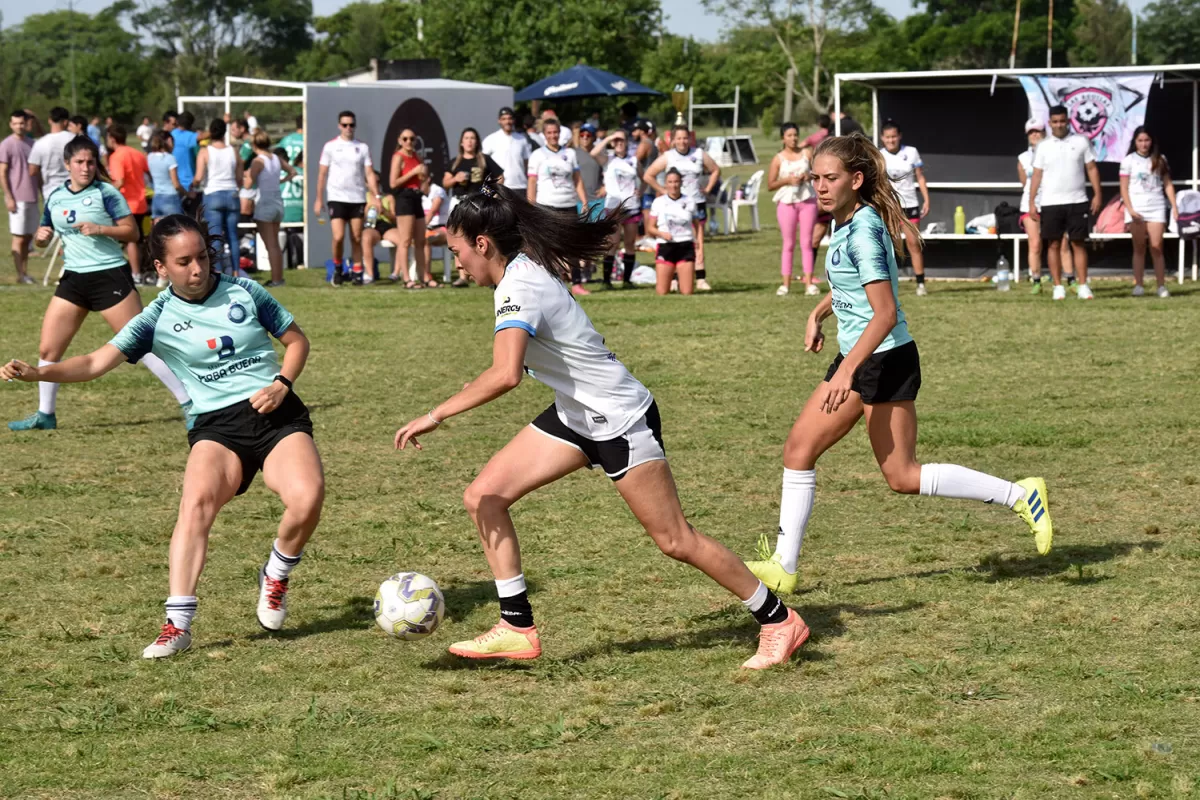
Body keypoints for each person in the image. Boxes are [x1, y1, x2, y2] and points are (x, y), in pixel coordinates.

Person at [392, 182, 810, 670]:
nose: (457, 261)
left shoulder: (519, 286)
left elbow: (505, 375)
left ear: (482, 244)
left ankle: (779, 619)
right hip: (576, 414)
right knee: (483, 496)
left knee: (675, 540)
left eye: (456, 250)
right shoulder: (516, 272)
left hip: (618, 419)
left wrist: (434, 414)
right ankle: (516, 626)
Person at [742, 133, 1054, 596]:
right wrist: (817, 312)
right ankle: (784, 566)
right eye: (815, 178)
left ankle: (1020, 494)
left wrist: (847, 371)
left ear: (856, 179)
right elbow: (854, 285)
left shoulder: (864, 228)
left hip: (884, 359)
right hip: (860, 358)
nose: (820, 187)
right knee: (798, 450)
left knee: (902, 476)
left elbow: (885, 313)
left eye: (830, 178)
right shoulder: (843, 223)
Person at [3, 214, 323, 658]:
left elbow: (297, 341)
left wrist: (282, 383)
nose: (198, 268)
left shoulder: (245, 291)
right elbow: (96, 363)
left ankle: (276, 571)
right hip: (216, 426)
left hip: (276, 413)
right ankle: (178, 624)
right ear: (161, 268)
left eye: (204, 257)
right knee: (195, 506)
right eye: (185, 261)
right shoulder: (155, 317)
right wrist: (40, 371)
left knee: (307, 498)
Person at [7, 136, 192, 431]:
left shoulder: (106, 193)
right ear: (67, 164)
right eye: (79, 162)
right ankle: (45, 414)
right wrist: (41, 240)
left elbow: (132, 233)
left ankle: (190, 404)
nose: (85, 167)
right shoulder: (55, 196)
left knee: (141, 346)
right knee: (48, 348)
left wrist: (100, 228)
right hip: (73, 278)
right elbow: (45, 232)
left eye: (91, 162)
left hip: (109, 276)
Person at [1027, 105, 1102, 300]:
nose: (1059, 125)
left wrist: (1097, 193)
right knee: (1053, 244)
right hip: (1051, 202)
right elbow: (1036, 175)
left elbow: (1092, 169)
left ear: (1068, 121)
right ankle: (1058, 286)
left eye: (1062, 121)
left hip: (1077, 200)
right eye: (1055, 122)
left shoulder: (1081, 141)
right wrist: (1031, 201)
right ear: (1050, 123)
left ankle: (1083, 285)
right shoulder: (1043, 146)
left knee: (1078, 243)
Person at [643, 124, 721, 291]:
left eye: (685, 138)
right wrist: (663, 190)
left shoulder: (699, 154)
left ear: (690, 138)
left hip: (695, 202)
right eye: (678, 138)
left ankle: (700, 277)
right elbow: (648, 175)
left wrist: (707, 189)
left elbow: (715, 170)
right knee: (677, 237)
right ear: (672, 140)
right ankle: (674, 278)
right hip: (673, 204)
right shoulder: (668, 156)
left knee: (697, 239)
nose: (682, 141)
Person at [314, 110, 382, 285]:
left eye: (351, 125)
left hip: (357, 197)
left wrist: (376, 196)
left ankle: (357, 270)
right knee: (338, 236)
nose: (348, 128)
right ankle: (338, 267)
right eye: (345, 125)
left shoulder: (362, 147)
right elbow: (322, 174)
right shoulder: (330, 146)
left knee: (357, 236)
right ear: (339, 126)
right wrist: (319, 199)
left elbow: (369, 173)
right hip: (336, 196)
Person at [526, 118, 589, 295]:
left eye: (556, 132)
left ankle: (577, 283)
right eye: (550, 133)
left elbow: (577, 180)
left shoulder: (570, 154)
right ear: (544, 135)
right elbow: (532, 182)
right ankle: (551, 282)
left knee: (573, 246)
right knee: (549, 246)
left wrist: (583, 201)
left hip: (568, 204)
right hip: (547, 206)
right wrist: (530, 206)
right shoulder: (538, 155)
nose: (553, 136)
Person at [1120, 126, 1177, 298]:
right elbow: (1123, 188)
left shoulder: (1160, 159)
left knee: (1157, 246)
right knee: (1139, 247)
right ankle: (1139, 285)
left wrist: (1174, 206)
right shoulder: (1128, 161)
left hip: (1156, 206)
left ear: (1151, 142)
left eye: (1147, 140)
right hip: (1136, 207)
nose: (1144, 144)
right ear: (1135, 142)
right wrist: (1130, 209)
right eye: (1140, 141)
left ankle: (1161, 285)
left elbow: (1167, 184)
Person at [769, 122, 820, 297]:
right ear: (783, 137)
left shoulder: (806, 153)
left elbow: (817, 173)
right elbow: (770, 184)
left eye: (795, 135)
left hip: (807, 200)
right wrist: (787, 181)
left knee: (807, 243)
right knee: (788, 243)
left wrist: (808, 176)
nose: (793, 138)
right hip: (786, 202)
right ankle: (785, 284)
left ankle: (809, 283)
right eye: (789, 135)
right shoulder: (778, 158)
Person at [879, 120, 929, 296]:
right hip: (890, 205)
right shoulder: (879, 155)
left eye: (894, 136)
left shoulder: (911, 152)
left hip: (910, 204)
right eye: (887, 137)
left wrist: (927, 199)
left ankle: (921, 283)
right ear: (882, 138)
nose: (891, 140)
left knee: (913, 243)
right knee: (889, 244)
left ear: (899, 136)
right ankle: (887, 283)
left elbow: (920, 177)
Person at [192, 118, 245, 277]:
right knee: (233, 237)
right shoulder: (233, 151)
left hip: (212, 193)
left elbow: (199, 176)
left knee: (215, 236)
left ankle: (218, 272)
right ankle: (236, 271)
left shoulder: (205, 151)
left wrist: (192, 185)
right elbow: (239, 177)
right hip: (231, 193)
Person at [591, 129, 640, 289]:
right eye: (616, 141)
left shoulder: (633, 160)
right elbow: (594, 152)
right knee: (612, 243)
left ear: (627, 142)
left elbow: (644, 175)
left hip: (631, 206)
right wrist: (610, 137)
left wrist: (641, 190)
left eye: (622, 140)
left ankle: (627, 280)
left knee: (630, 243)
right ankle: (606, 281)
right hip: (613, 207)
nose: (619, 143)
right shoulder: (608, 160)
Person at [247, 130, 297, 287]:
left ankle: (277, 279)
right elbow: (293, 171)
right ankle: (278, 278)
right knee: (274, 243)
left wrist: (244, 177)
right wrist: (281, 180)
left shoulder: (258, 161)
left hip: (265, 204)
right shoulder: (276, 158)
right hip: (277, 203)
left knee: (271, 245)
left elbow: (249, 183)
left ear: (254, 145)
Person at [388, 127, 434, 288]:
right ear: (400, 140)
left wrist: (424, 178)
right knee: (405, 240)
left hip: (416, 197)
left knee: (421, 240)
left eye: (412, 139)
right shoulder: (398, 157)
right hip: (404, 198)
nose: (409, 142)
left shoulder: (417, 157)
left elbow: (424, 187)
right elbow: (393, 183)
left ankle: (423, 276)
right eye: (405, 139)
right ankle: (406, 278)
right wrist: (413, 172)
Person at [105, 124, 152, 284]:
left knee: (129, 240)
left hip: (126, 203)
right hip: (140, 201)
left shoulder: (117, 156)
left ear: (112, 138)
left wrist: (103, 192)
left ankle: (135, 274)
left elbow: (119, 181)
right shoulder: (137, 153)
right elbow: (148, 172)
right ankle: (138, 271)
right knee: (136, 240)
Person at [0, 110, 37, 284]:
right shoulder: (6, 144)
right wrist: (9, 197)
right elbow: (3, 172)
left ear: (26, 123)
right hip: (17, 197)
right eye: (15, 123)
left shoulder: (32, 143)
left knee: (29, 236)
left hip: (32, 196)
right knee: (18, 237)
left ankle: (25, 272)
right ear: (11, 124)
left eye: (21, 123)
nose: (19, 126)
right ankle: (20, 274)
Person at [646, 169, 697, 295]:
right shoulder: (659, 202)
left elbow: (698, 225)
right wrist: (662, 234)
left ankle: (682, 280)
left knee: (687, 292)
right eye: (670, 182)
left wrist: (699, 244)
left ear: (681, 183)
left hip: (685, 245)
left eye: (676, 182)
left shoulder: (689, 201)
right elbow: (650, 228)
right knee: (662, 292)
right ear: (665, 184)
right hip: (666, 246)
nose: (673, 185)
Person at [444, 127, 504, 203]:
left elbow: (500, 177)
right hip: (458, 201)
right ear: (461, 143)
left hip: (479, 201)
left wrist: (491, 194)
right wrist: (455, 179)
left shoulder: (484, 159)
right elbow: (445, 183)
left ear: (476, 142)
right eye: (466, 138)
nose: (469, 141)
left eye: (472, 138)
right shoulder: (455, 162)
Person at [482, 107, 532, 197]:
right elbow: (483, 163)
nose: (507, 122)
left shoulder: (522, 139)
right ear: (499, 121)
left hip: (520, 186)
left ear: (513, 120)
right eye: (504, 119)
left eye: (509, 118)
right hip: (499, 187)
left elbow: (527, 164)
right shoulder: (490, 139)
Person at [29, 106, 75, 201]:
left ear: (50, 120)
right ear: (66, 122)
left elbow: (32, 171)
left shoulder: (40, 143)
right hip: (74, 189)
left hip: (51, 192)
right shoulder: (75, 139)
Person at [148, 131, 185, 222]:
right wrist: (187, 193)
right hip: (170, 197)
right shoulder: (170, 158)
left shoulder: (150, 157)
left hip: (157, 198)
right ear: (169, 141)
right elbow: (176, 184)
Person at [423, 175, 450, 282]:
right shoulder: (418, 193)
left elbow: (433, 210)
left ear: (428, 179)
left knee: (426, 237)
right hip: (427, 229)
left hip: (443, 228)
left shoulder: (437, 190)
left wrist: (421, 228)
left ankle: (426, 274)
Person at [171, 111, 199, 212]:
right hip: (188, 182)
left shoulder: (171, 135)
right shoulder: (191, 136)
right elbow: (203, 136)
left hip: (173, 182)